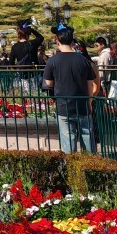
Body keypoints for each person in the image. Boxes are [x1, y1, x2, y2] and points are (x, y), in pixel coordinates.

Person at [42, 26, 100, 154]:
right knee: (87, 138)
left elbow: (48, 83)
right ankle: (90, 163)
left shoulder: (52, 61)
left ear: (57, 41)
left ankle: (70, 164)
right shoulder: (84, 60)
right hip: (83, 105)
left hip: (64, 105)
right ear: (72, 42)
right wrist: (89, 102)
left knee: (68, 141)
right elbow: (90, 85)